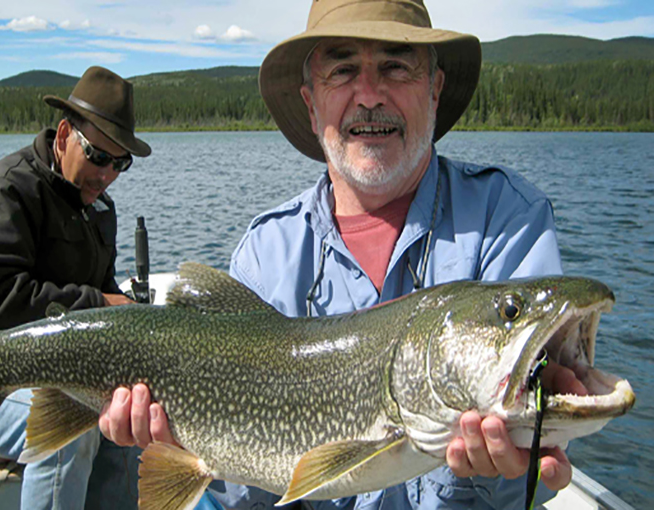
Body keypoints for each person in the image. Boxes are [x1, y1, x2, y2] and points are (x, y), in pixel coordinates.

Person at [99, 1, 587, 508]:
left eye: (397, 67)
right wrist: (188, 442)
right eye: (343, 70)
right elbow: (248, 498)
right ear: (312, 105)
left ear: (434, 90)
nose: (370, 95)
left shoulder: (505, 219)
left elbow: (534, 407)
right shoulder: (267, 254)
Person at [0, 65, 158, 510]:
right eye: (98, 156)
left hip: (63, 372)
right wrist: (101, 303)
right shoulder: (5, 194)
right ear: (63, 136)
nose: (108, 174)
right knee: (68, 436)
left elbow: (103, 293)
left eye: (120, 163)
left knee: (132, 417)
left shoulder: (98, 208)